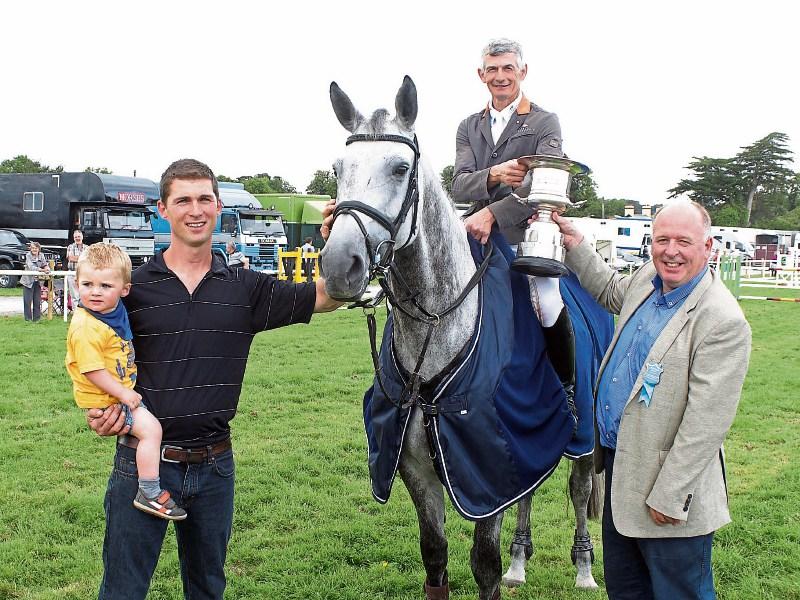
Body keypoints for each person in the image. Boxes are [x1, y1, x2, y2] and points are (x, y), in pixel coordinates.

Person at [85, 158, 342, 600]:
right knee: (123, 590)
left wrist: (337, 241)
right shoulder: (131, 291)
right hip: (141, 465)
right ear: (162, 210)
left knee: (207, 590)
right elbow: (91, 353)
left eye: (205, 198)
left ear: (220, 206)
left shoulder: (245, 287)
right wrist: (100, 410)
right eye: (182, 199)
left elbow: (326, 296)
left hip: (214, 466)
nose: (195, 209)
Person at [552, 201, 752, 599]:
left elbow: (706, 423)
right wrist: (575, 244)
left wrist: (670, 495)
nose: (671, 251)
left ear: (708, 247)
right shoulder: (648, 278)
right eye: (662, 239)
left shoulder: (722, 320)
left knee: (679, 593)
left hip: (667, 496)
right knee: (627, 592)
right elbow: (611, 292)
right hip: (620, 473)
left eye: (683, 241)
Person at [452, 38, 576, 409]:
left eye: (508, 68)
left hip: (526, 235)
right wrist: (493, 174)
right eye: (493, 69)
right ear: (481, 74)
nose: (500, 76)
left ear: (522, 72)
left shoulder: (543, 121)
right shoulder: (468, 126)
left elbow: (544, 182)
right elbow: (459, 183)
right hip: (474, 234)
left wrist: (493, 213)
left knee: (547, 298)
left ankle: (565, 389)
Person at [66, 243, 187, 521]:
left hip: (114, 393)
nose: (95, 292)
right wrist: (124, 394)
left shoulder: (110, 312)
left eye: (105, 285)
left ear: (125, 289)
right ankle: (149, 490)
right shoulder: (86, 326)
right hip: (107, 399)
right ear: (77, 283)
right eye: (87, 284)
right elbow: (91, 369)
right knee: (151, 431)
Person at [21, 241, 49, 322]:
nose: (34, 249)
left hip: (38, 281)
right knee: (27, 301)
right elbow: (31, 267)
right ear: (30, 249)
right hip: (28, 281)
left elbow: (45, 264)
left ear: (39, 249)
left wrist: (47, 268)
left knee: (37, 301)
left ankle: (37, 319)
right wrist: (42, 270)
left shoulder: (41, 255)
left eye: (36, 248)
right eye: (32, 248)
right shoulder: (28, 255)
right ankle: (28, 319)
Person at [65, 229, 86, 311]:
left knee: (83, 295)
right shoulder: (70, 247)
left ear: (82, 237)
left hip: (84, 274)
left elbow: (88, 260)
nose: (77, 238)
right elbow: (71, 258)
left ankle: (83, 314)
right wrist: (82, 258)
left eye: (79, 236)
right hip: (72, 273)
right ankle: (75, 315)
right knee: (75, 296)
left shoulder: (87, 248)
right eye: (75, 237)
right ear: (73, 238)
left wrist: (77, 258)